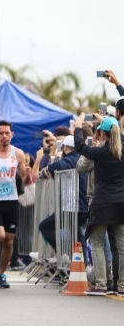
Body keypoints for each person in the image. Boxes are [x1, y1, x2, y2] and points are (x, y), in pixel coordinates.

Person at [73, 116, 124, 296]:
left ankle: (101, 284)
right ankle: (122, 286)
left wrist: (78, 128)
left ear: (102, 133)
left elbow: (80, 147)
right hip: (121, 202)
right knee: (122, 245)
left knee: (97, 242)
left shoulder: (99, 152)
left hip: (102, 202)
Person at [0, 121, 31, 289]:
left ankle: (1, 274)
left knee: (9, 241)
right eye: (1, 133)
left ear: (12, 135)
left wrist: (28, 174)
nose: (4, 136)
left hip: (12, 201)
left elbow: (24, 180)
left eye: (7, 133)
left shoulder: (18, 153)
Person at [37, 134, 88, 255]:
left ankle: (65, 252)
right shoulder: (85, 159)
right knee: (80, 239)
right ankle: (82, 264)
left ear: (65, 148)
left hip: (71, 208)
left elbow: (56, 166)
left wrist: (48, 170)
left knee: (44, 226)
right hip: (84, 207)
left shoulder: (69, 160)